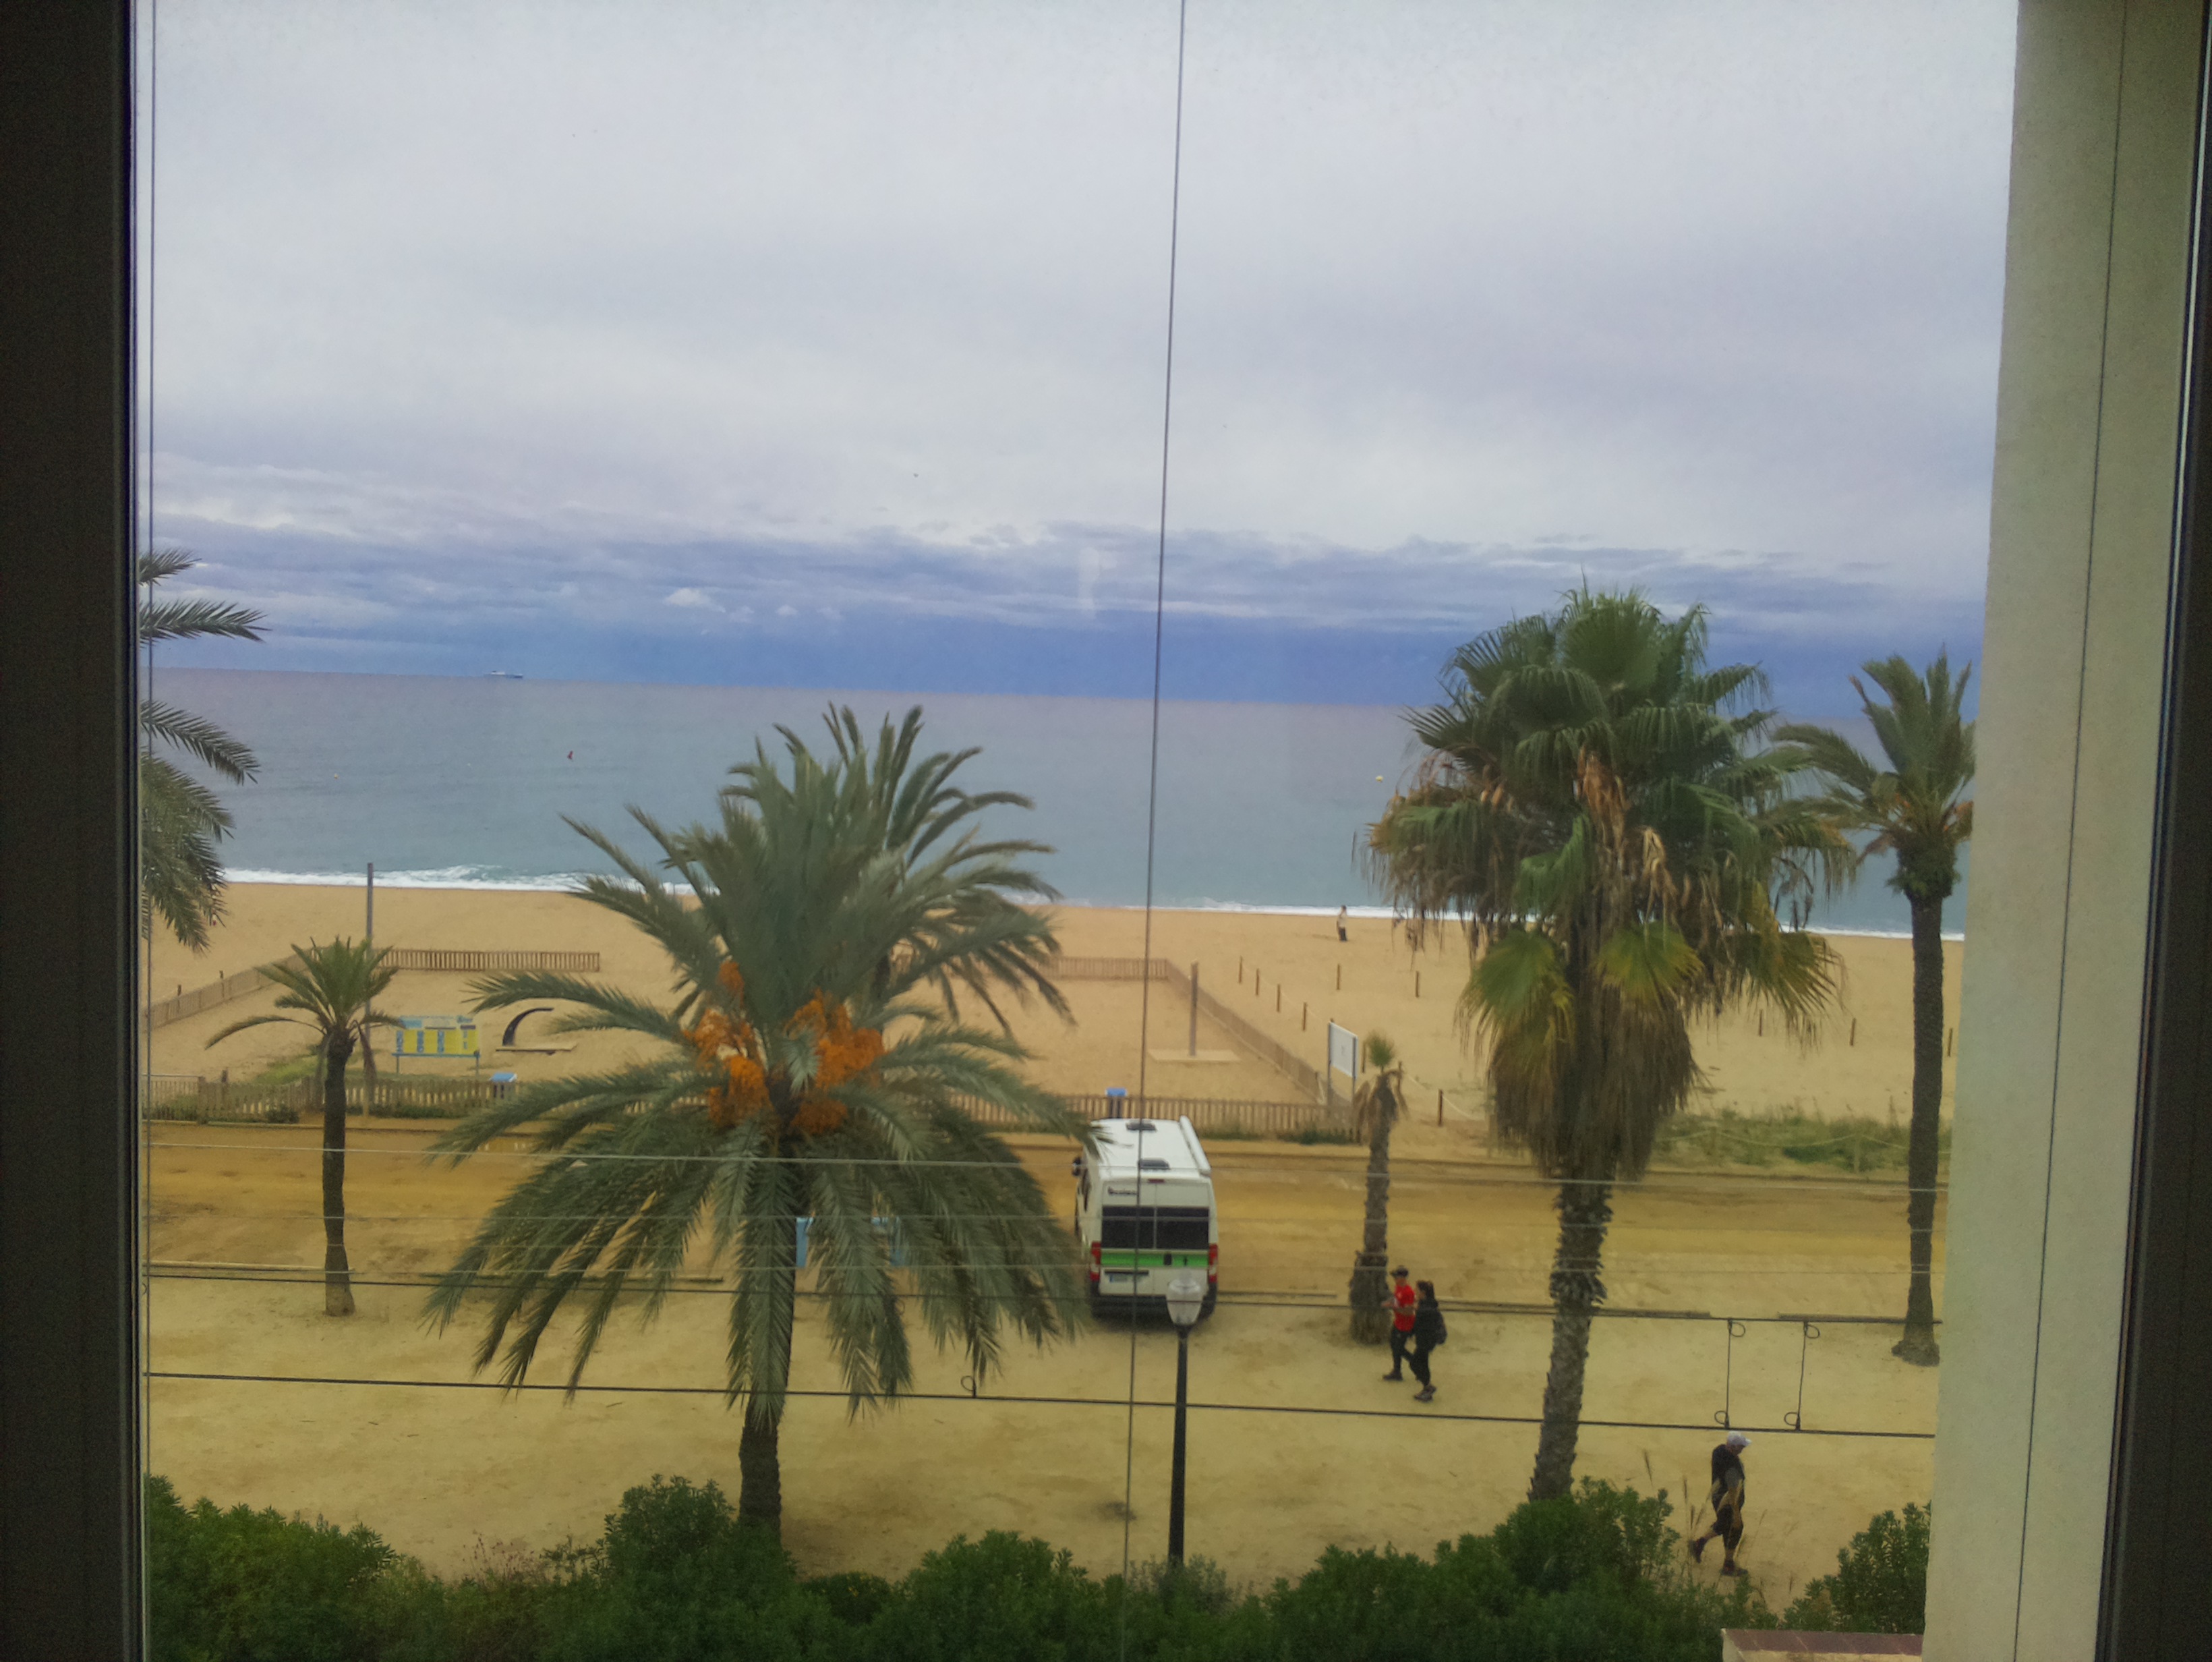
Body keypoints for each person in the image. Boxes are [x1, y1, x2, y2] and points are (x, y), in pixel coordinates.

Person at [1689, 1430, 1751, 1575]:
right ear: (1733, 1447)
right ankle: (1728, 1565)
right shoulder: (1732, 1467)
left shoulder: (1719, 1451)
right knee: (1735, 1528)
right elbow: (1733, 1492)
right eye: (1741, 1446)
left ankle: (1700, 1545)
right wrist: (1737, 1513)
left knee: (1723, 1524)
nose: (1743, 1448)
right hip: (1727, 1502)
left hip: (1717, 1497)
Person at [1407, 1279, 1447, 1402]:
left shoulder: (1427, 1306)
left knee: (1415, 1363)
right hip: (1423, 1339)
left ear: (1423, 1292)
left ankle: (1427, 1387)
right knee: (1422, 1363)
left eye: (1417, 1290)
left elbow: (1426, 1317)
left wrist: (1417, 1309)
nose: (1416, 1292)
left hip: (1427, 1340)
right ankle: (1427, 1386)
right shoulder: (1424, 1304)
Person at [1382, 1265, 1417, 1380]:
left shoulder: (1408, 1292)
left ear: (1402, 1278)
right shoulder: (1398, 1288)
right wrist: (1388, 1303)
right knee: (1394, 1345)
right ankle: (1397, 1371)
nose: (1395, 1279)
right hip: (1398, 1323)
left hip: (1406, 1326)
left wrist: (1394, 1308)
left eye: (1396, 1277)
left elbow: (1408, 1312)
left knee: (1399, 1349)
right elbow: (1395, 1299)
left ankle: (1415, 1363)